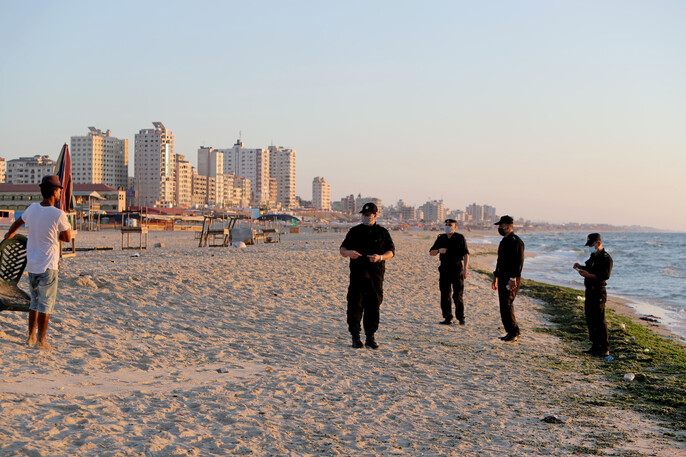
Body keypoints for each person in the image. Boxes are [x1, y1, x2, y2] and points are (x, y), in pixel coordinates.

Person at [4, 175, 73, 350]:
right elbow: (67, 238)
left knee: (34, 302)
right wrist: (53, 233)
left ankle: (31, 337)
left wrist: (9, 235)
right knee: (45, 303)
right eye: (59, 191)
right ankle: (42, 341)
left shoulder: (32, 209)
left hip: (32, 264)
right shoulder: (58, 214)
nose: (59, 194)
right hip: (48, 265)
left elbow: (17, 223)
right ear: (55, 192)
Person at [340, 202, 395, 349]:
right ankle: (355, 337)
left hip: (375, 276)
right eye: (363, 215)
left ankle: (370, 337)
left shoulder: (383, 232)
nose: (365, 217)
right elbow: (342, 249)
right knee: (355, 306)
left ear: (375, 216)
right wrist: (348, 253)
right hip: (357, 275)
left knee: (373, 306)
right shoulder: (354, 231)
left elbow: (391, 252)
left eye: (368, 215)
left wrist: (380, 257)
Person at [573, 233, 613, 357]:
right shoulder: (593, 256)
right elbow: (590, 268)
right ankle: (595, 345)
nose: (590, 247)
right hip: (589, 290)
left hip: (598, 291)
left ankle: (604, 348)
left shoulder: (606, 258)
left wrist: (589, 275)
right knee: (590, 319)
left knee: (599, 320)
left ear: (598, 243)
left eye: (592, 245)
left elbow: (605, 275)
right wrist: (580, 267)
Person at [429, 219, 470, 325]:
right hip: (444, 269)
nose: (448, 226)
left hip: (457, 269)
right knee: (445, 294)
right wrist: (439, 251)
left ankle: (461, 317)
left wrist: (465, 268)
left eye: (450, 225)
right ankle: (448, 317)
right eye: (446, 225)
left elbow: (466, 254)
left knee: (458, 295)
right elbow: (431, 252)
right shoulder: (441, 238)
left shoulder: (460, 238)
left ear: (455, 227)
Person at [491, 215, 525, 342]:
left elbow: (519, 262)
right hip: (503, 276)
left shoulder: (516, 241)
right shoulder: (504, 241)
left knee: (508, 303)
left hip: (512, 277)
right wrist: (496, 277)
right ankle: (509, 331)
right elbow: (500, 261)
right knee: (503, 305)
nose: (499, 228)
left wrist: (513, 278)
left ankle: (514, 331)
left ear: (508, 226)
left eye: (501, 226)